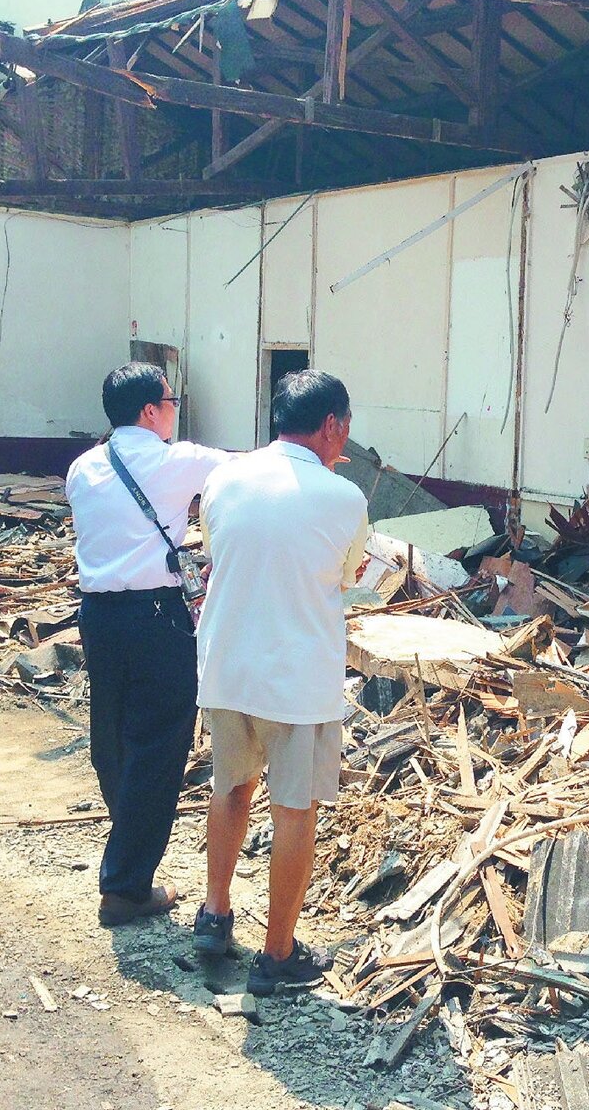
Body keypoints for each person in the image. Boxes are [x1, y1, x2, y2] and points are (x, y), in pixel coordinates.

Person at [192, 370, 368, 994]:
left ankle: (214, 914)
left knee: (229, 788)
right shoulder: (344, 498)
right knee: (295, 809)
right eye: (345, 428)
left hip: (226, 666)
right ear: (332, 426)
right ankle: (277, 952)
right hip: (297, 680)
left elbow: (218, 555)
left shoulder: (223, 478)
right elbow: (346, 576)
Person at [66, 362, 229, 927]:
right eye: (171, 401)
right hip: (156, 615)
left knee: (111, 733)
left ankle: (127, 843)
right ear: (150, 410)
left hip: (97, 615)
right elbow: (247, 472)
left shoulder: (83, 468)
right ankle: (126, 886)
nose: (175, 411)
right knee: (159, 744)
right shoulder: (176, 461)